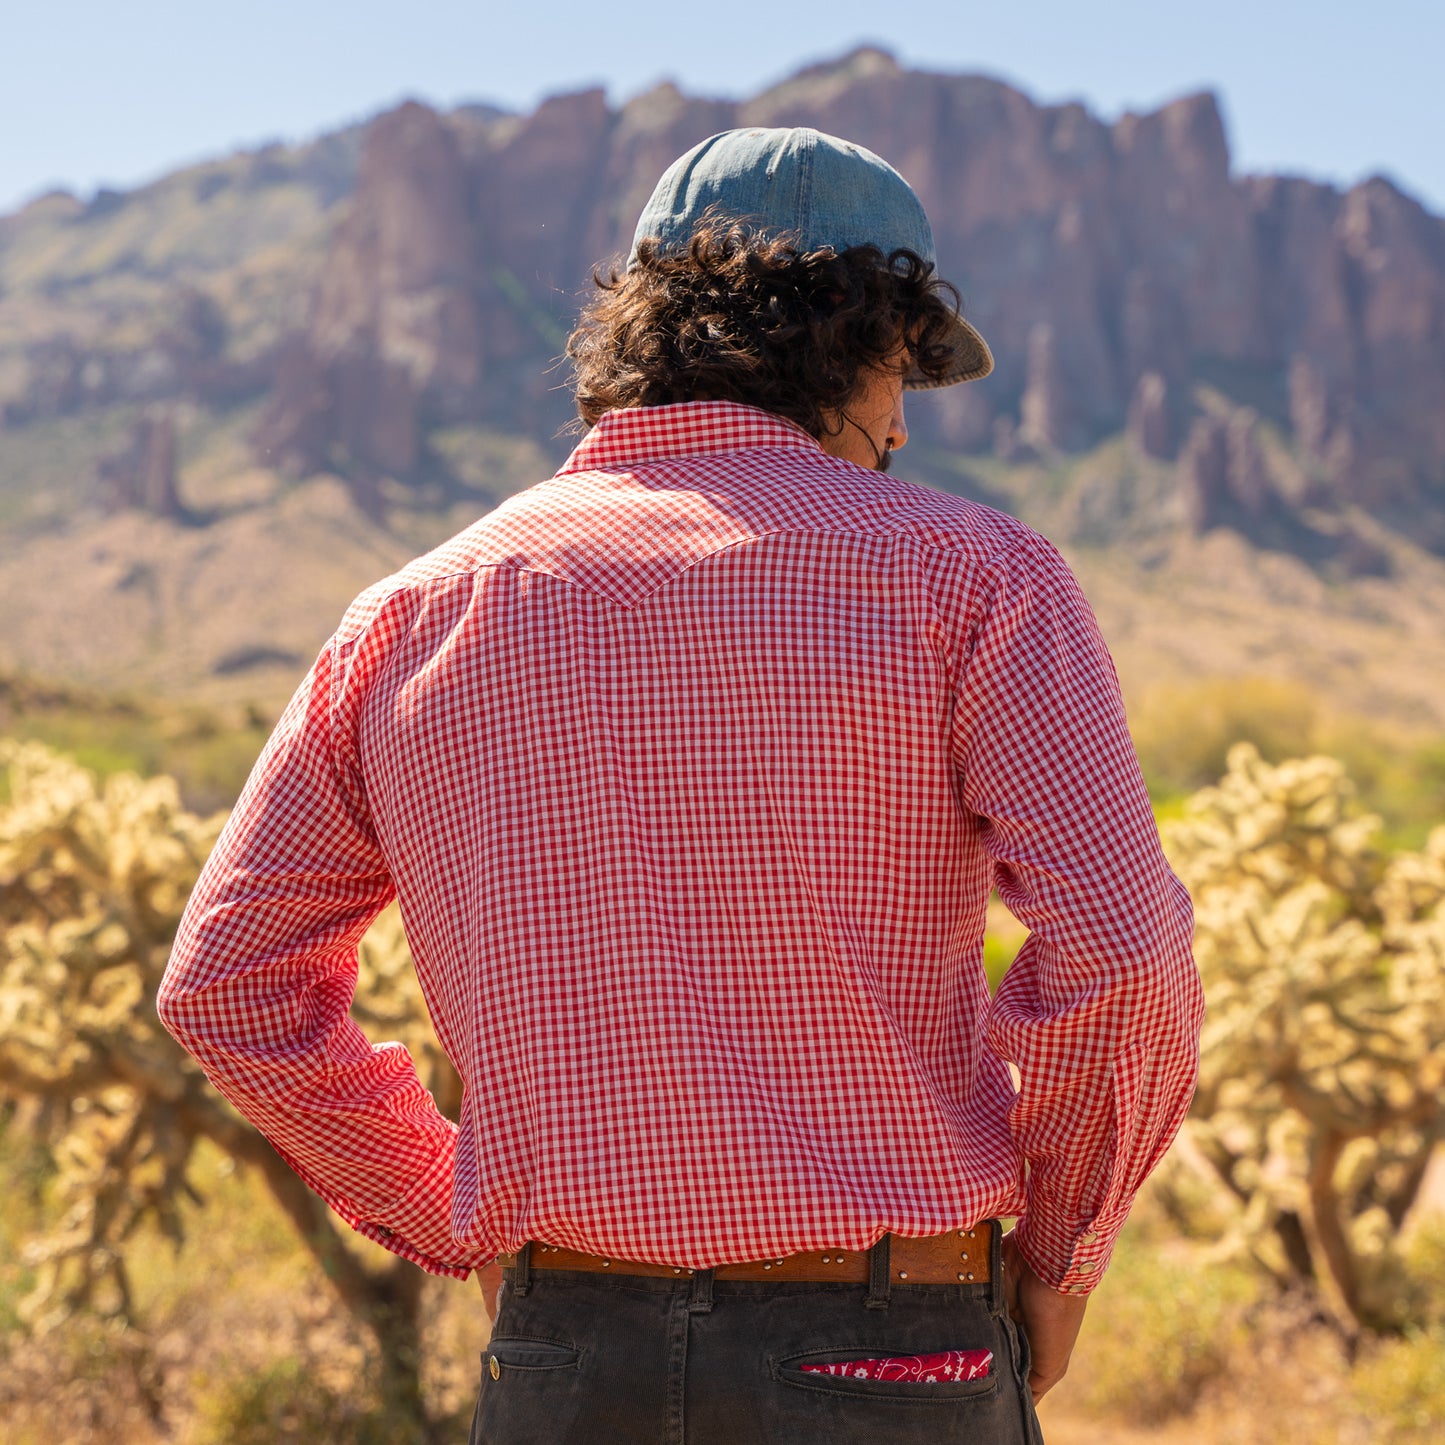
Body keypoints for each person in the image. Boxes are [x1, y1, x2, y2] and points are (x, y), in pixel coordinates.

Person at [159, 127, 1204, 1444]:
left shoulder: (411, 615)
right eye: (903, 376)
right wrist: (1059, 1259)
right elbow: (1122, 948)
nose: (897, 423)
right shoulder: (973, 577)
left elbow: (227, 987)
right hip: (887, 1360)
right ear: (862, 341)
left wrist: (452, 1201)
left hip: (560, 1362)